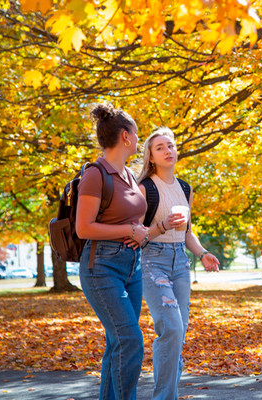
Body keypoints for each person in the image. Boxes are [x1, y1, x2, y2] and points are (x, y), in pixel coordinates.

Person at [134, 127, 220, 400]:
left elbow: (187, 233)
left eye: (170, 145)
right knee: (170, 327)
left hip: (180, 263)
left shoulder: (185, 188)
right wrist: (161, 227)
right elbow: (136, 235)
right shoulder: (143, 188)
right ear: (150, 157)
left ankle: (167, 393)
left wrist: (202, 253)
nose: (168, 150)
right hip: (152, 261)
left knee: (178, 332)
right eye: (160, 147)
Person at [76, 103, 149, 400]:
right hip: (101, 267)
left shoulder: (130, 176)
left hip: (132, 266)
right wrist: (129, 231)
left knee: (117, 342)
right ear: (126, 136)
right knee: (130, 340)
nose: (139, 138)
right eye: (136, 133)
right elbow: (84, 228)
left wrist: (139, 232)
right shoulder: (96, 174)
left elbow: (132, 219)